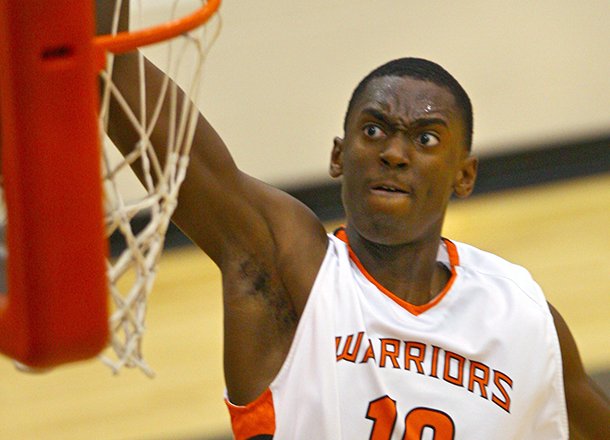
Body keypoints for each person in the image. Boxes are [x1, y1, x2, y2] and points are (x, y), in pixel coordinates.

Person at [94, 3, 609, 439]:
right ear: (339, 157)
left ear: (465, 175)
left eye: (426, 138)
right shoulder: (290, 271)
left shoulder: (521, 314)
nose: (395, 153)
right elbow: (173, 139)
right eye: (373, 130)